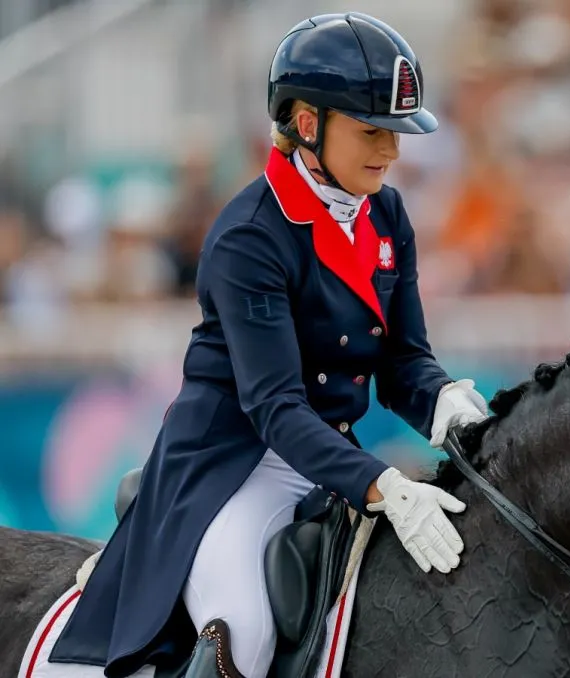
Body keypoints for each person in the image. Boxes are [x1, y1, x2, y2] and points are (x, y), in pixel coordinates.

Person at [48, 12, 489, 678]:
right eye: (371, 131)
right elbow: (274, 407)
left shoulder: (385, 212)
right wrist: (382, 485)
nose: (391, 152)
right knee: (245, 634)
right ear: (308, 124)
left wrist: (446, 404)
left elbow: (402, 360)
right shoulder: (250, 237)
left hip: (326, 457)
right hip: (236, 467)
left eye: (394, 133)